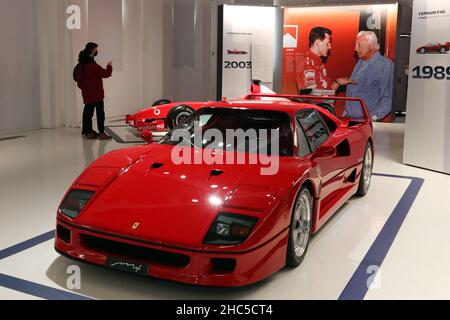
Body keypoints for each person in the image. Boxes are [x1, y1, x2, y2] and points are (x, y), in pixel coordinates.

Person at [344, 31, 394, 121]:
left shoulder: (385, 65)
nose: (355, 48)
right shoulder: (359, 63)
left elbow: (387, 98)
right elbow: (354, 92)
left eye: (359, 45)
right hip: (350, 120)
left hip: (367, 123)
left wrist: (373, 118)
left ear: (371, 45)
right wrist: (346, 112)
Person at [297, 27, 355, 93]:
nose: (330, 47)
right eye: (327, 43)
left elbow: (324, 91)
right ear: (317, 43)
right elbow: (311, 96)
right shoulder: (308, 64)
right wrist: (336, 84)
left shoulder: (317, 62)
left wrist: (338, 82)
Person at [75, 42, 113, 140]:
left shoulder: (81, 65)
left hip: (87, 95)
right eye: (96, 49)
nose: (97, 51)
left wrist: (85, 89)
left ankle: (87, 131)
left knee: (87, 113)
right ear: (91, 51)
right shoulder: (93, 66)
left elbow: (79, 82)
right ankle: (101, 133)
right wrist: (109, 66)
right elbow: (105, 74)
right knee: (100, 114)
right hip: (97, 95)